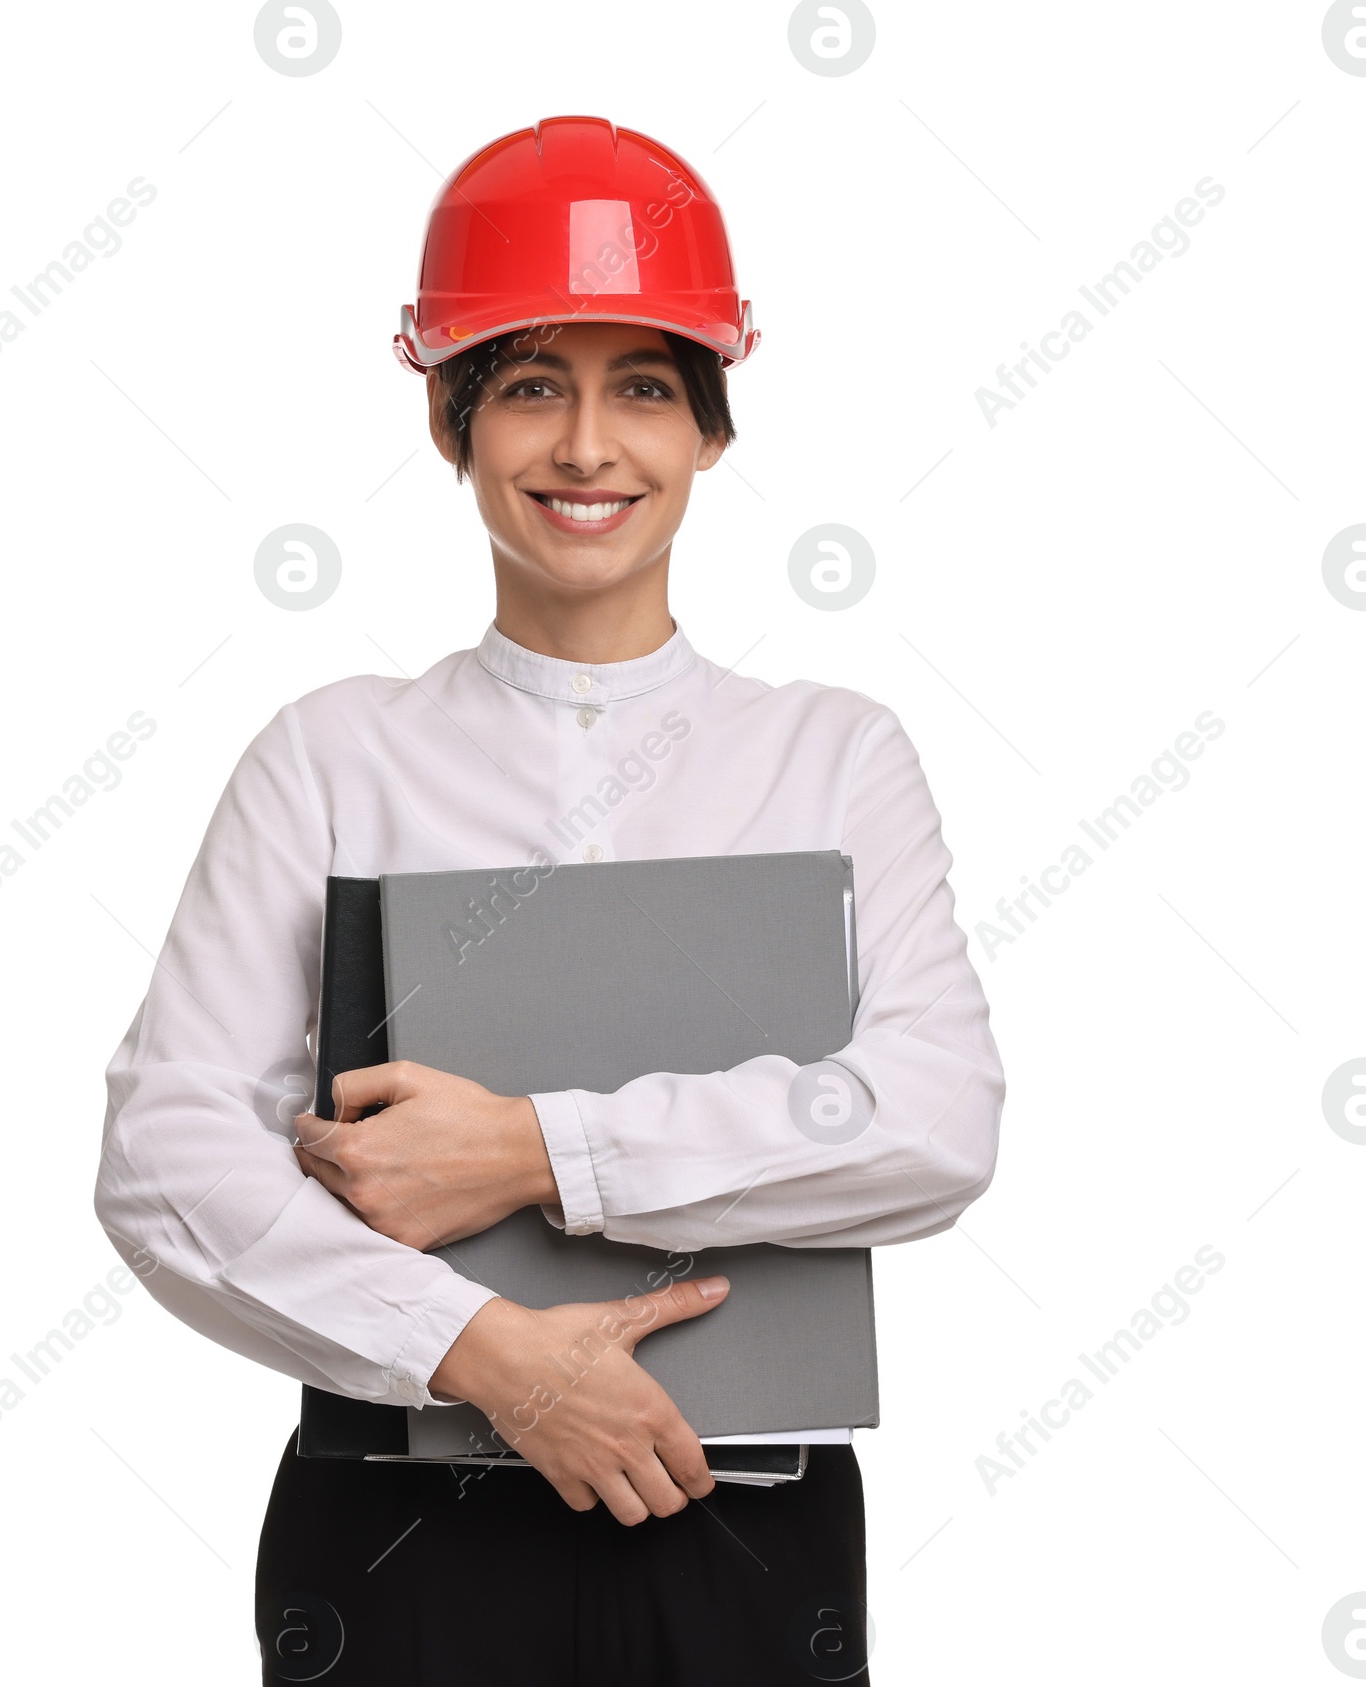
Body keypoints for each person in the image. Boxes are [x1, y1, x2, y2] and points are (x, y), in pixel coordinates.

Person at [94, 115, 1005, 1686]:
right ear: (449, 420)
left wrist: (532, 1153)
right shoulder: (330, 755)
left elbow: (930, 1123)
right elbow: (166, 1161)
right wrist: (487, 1357)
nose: (587, 448)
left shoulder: (834, 757)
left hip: (747, 1532)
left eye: (643, 385)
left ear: (713, 428)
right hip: (397, 1548)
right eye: (529, 385)